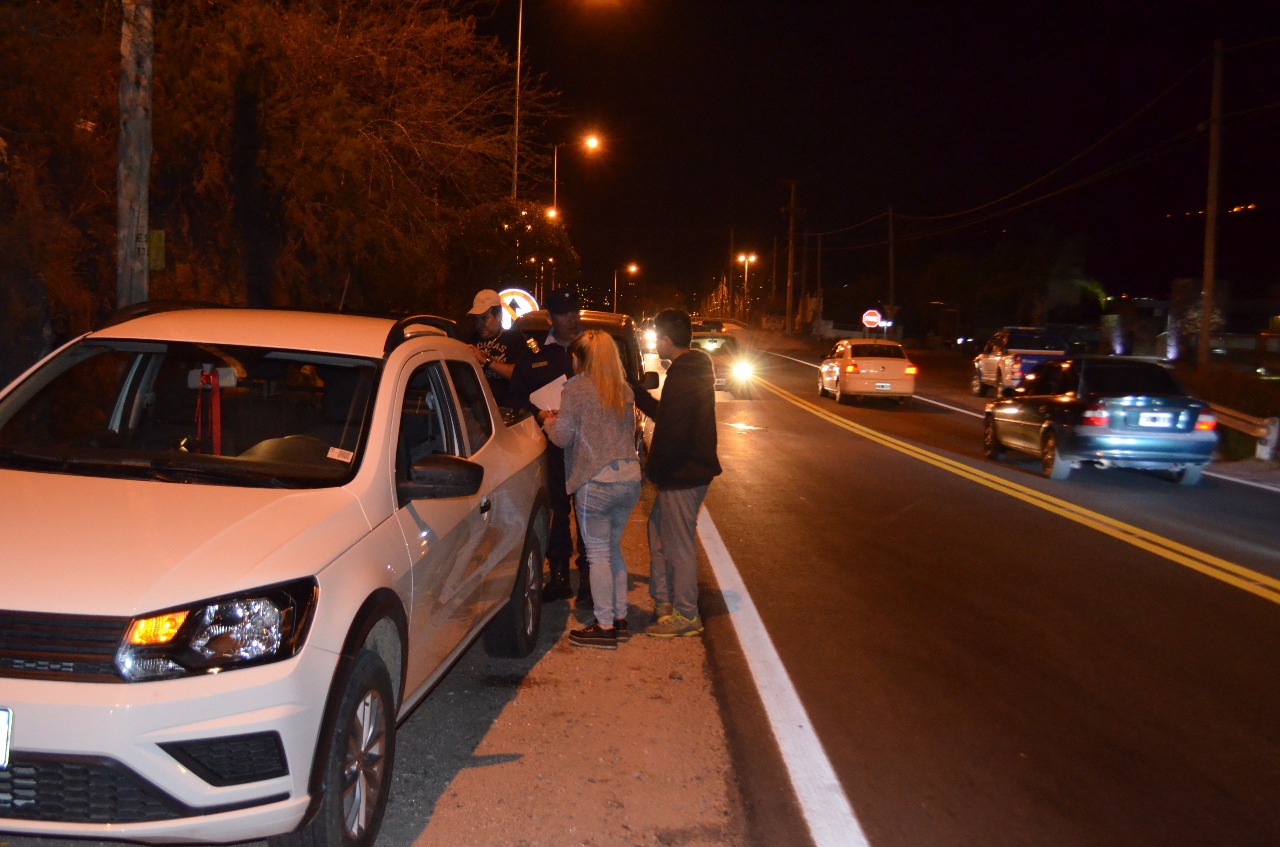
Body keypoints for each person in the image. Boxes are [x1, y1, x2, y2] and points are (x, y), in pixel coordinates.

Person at [540, 330, 642, 649]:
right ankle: (620, 618)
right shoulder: (623, 388)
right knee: (613, 549)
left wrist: (547, 421)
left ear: (577, 358)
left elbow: (563, 437)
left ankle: (604, 626)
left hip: (596, 481)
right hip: (629, 477)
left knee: (597, 554)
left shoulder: (576, 388)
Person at [630, 308, 721, 637]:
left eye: (658, 338)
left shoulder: (684, 376)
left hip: (682, 474)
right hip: (684, 472)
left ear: (667, 340)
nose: (656, 344)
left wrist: (654, 473)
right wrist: (638, 394)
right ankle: (664, 602)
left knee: (678, 543)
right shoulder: (689, 370)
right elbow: (667, 417)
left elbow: (674, 434)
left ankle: (686, 614)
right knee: (658, 534)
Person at [506, 289, 591, 605]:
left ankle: (589, 579)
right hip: (552, 447)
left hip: (588, 446)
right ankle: (558, 576)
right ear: (550, 318)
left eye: (575, 313)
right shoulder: (535, 354)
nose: (571, 319)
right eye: (564, 314)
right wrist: (538, 414)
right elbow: (516, 398)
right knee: (558, 511)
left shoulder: (593, 350)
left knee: (589, 512)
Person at [465, 289, 526, 407]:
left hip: (504, 409)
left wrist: (485, 360)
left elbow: (519, 375)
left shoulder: (514, 339)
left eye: (484, 318)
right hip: (477, 409)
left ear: (498, 316)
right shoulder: (471, 339)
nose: (479, 324)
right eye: (476, 319)